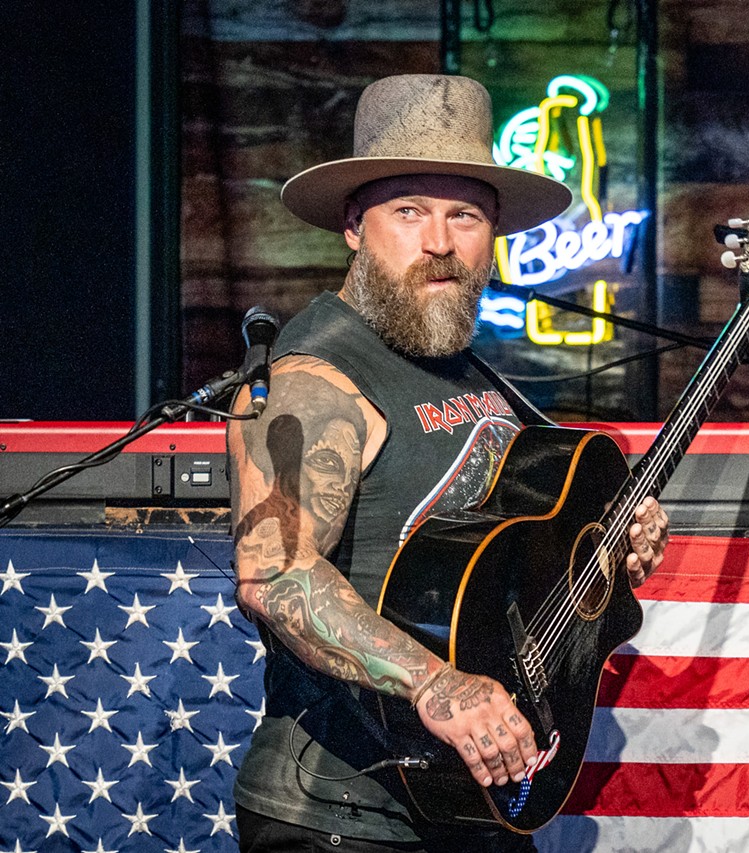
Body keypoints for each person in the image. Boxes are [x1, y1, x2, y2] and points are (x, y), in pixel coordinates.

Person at [227, 74, 670, 852]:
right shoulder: (313, 378)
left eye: (463, 215)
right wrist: (436, 683)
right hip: (343, 814)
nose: (439, 242)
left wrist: (603, 550)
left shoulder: (467, 369)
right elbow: (276, 572)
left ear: (492, 233)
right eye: (409, 212)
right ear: (353, 227)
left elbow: (492, 552)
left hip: (471, 802)